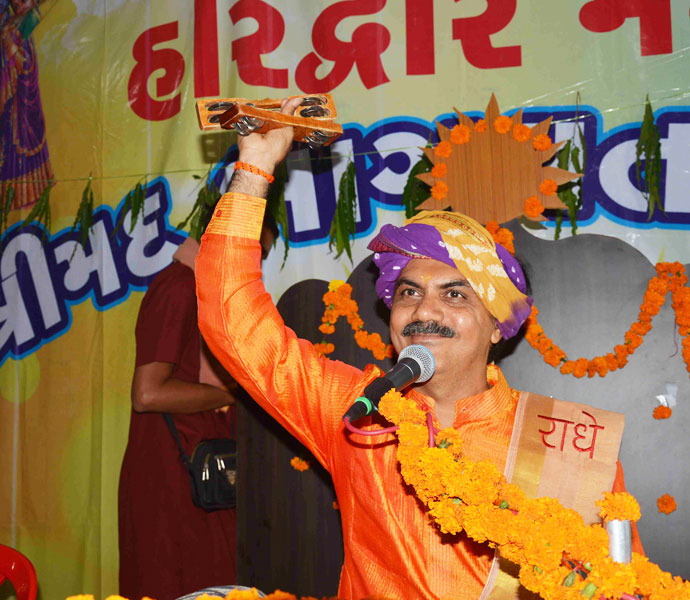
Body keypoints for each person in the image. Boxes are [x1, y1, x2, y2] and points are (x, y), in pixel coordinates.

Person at [194, 99, 642, 600]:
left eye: (455, 295)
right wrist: (255, 165)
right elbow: (232, 322)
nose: (424, 311)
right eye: (408, 293)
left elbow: (620, 586)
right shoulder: (359, 411)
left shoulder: (567, 441)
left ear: (498, 327)